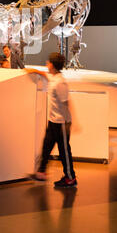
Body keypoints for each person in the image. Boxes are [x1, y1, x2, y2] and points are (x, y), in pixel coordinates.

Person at [26, 52, 77, 188]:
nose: (46, 64)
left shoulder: (60, 83)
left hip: (62, 123)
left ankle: (70, 178)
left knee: (64, 152)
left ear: (53, 65)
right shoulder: (53, 77)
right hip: (53, 122)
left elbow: (66, 103)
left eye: (48, 62)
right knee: (46, 147)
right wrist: (34, 71)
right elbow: (45, 75)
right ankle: (41, 172)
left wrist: (72, 123)